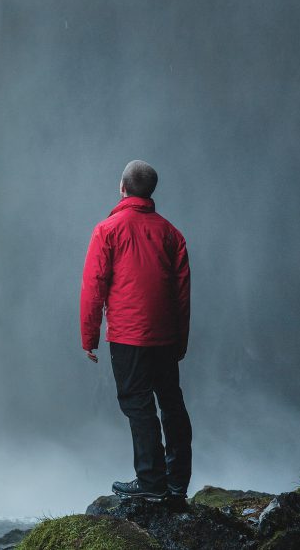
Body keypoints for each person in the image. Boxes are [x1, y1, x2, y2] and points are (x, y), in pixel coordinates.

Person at [80, 160, 192, 502]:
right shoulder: (172, 233)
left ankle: (150, 481)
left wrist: (89, 337)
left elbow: (93, 286)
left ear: (122, 187)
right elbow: (182, 293)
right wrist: (180, 342)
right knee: (170, 401)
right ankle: (177, 482)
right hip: (164, 336)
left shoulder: (107, 230)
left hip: (128, 336)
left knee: (137, 404)